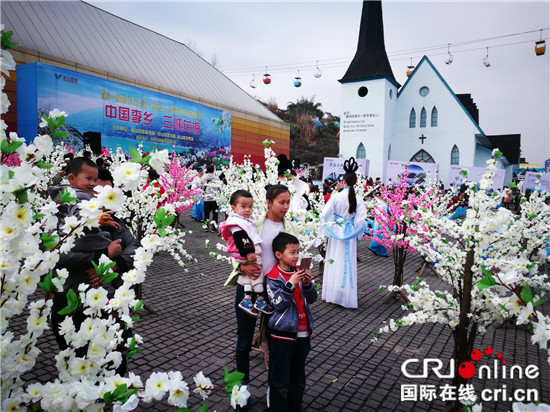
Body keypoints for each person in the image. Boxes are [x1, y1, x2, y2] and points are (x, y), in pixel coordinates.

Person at [48, 158, 123, 357]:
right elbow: (79, 217)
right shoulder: (79, 197)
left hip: (93, 288)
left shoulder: (69, 196)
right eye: (89, 178)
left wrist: (101, 221)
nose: (92, 184)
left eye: (95, 179)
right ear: (71, 178)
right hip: (74, 293)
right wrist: (103, 255)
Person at [227, 184, 297, 392]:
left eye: (287, 202)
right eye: (281, 202)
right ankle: (242, 388)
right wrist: (242, 266)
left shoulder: (289, 228)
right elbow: (235, 248)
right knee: (244, 341)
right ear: (268, 203)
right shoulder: (251, 223)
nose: (285, 206)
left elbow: (293, 255)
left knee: (276, 343)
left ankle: (273, 390)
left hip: (277, 292)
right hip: (248, 287)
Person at [266, 232, 317, 411]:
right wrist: (290, 284)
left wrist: (307, 284)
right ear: (279, 255)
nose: (296, 256)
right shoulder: (273, 277)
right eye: (292, 252)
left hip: (303, 334)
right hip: (282, 336)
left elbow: (311, 299)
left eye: (297, 252)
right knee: (280, 379)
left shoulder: (298, 272)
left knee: (298, 379)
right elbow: (278, 304)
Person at [320, 157, 367, 309]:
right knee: (346, 262)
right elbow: (361, 222)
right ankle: (344, 295)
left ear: (343, 181)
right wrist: (357, 235)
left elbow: (323, 215)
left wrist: (325, 230)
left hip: (335, 229)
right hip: (350, 232)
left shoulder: (335, 197)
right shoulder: (358, 199)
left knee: (334, 259)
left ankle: (332, 293)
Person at [220, 190, 273, 316]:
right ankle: (260, 300)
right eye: (243, 207)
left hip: (244, 255)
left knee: (248, 277)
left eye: (250, 207)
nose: (248, 210)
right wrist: (248, 252)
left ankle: (247, 299)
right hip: (247, 254)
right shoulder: (237, 222)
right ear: (233, 208)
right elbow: (241, 238)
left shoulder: (244, 220)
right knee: (257, 273)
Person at [368, 191, 389, 257]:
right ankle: (380, 251)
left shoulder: (381, 201)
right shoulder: (377, 202)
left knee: (379, 234)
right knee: (381, 235)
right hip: (381, 220)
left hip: (382, 219)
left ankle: (374, 247)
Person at [201, 164, 220, 232]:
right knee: (215, 214)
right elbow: (219, 187)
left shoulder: (203, 177)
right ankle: (214, 228)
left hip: (206, 198)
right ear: (213, 170)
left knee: (206, 213)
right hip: (215, 198)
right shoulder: (216, 178)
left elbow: (202, 187)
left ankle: (205, 226)